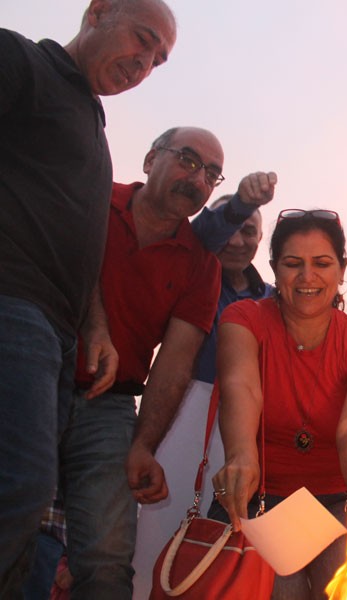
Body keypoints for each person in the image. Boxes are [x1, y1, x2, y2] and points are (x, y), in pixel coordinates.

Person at [0, 0, 175, 593]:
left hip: (56, 336)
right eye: (143, 39)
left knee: (32, 516)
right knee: (17, 485)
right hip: (11, 307)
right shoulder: (23, 63)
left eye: (158, 59)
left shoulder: (93, 128)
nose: (144, 62)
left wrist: (94, 326)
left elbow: (79, 246)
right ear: (98, 12)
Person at [60, 126, 277, 598]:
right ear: (149, 158)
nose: (198, 179)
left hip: (111, 406)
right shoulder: (92, 197)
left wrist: (143, 445)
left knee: (107, 560)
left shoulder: (202, 266)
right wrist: (239, 200)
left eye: (211, 174)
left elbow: (174, 364)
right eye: (188, 160)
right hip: (34, 374)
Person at [211, 209, 347, 599]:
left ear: (342, 269)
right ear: (274, 268)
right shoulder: (242, 318)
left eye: (322, 264)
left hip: (337, 501)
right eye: (293, 264)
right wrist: (240, 456)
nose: (307, 277)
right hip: (262, 504)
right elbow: (240, 386)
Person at [131, 194, 274, 599]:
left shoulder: (271, 300)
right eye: (230, 227)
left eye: (249, 231)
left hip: (249, 420)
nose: (236, 240)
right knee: (163, 526)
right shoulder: (191, 277)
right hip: (184, 411)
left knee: (234, 531)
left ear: (260, 240)